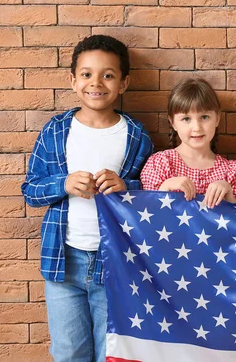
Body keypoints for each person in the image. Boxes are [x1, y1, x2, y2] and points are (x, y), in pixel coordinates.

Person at [21, 35, 154, 362]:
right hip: (63, 262)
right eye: (86, 74)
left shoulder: (136, 136)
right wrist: (63, 183)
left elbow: (151, 195)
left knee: (109, 352)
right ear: (73, 80)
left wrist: (127, 187)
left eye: (108, 75)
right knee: (69, 353)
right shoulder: (55, 131)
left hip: (115, 264)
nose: (96, 83)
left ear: (124, 83)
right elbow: (30, 190)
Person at [141, 78, 236, 207]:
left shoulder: (232, 171)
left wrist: (228, 193)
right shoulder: (159, 164)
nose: (197, 127)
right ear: (173, 122)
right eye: (186, 119)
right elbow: (148, 213)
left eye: (204, 117)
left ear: (217, 118)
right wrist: (166, 187)